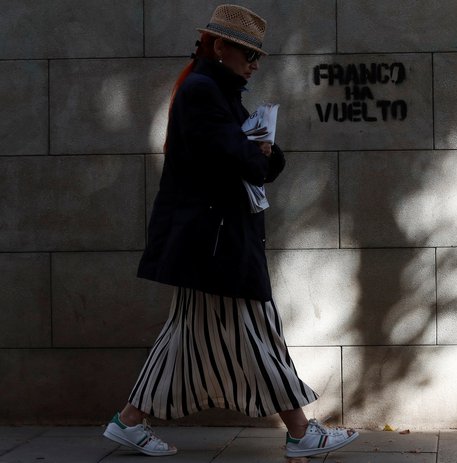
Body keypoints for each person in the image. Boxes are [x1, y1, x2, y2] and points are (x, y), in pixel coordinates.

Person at [101, 4, 358, 458]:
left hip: (213, 240)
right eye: (249, 55)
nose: (255, 64)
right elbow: (238, 160)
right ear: (220, 47)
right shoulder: (203, 91)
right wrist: (257, 152)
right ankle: (301, 433)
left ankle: (129, 421)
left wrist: (264, 152)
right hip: (215, 243)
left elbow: (255, 163)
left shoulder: (215, 91)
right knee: (257, 331)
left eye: (258, 56)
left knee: (185, 334)